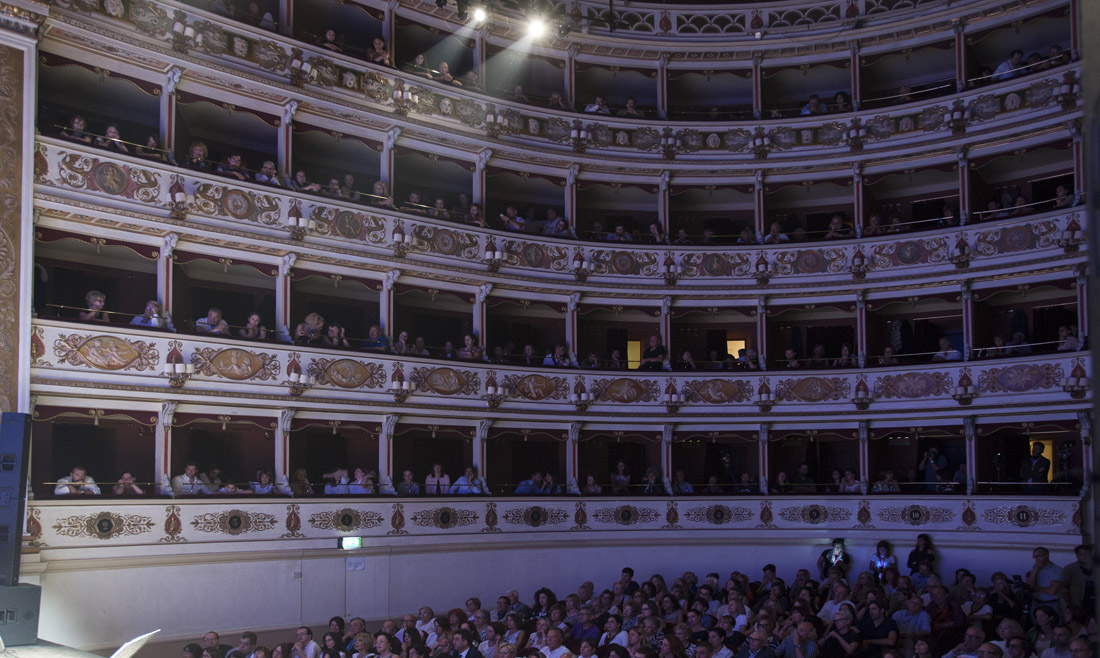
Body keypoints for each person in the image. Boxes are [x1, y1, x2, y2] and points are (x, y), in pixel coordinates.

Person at [1028, 548, 1063, 615]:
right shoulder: (1035, 568)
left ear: (1047, 555)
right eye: (1035, 557)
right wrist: (1035, 569)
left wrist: (1034, 587)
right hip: (1036, 602)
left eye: (1039, 556)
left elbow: (1051, 591)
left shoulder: (1057, 570)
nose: (1037, 559)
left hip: (1051, 603)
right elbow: (1029, 585)